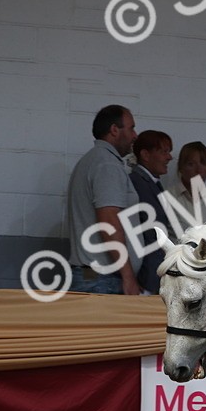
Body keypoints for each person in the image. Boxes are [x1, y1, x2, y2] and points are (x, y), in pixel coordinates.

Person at [66, 104, 141, 295]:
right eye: (131, 128)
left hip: (94, 277)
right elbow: (108, 221)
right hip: (102, 280)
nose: (135, 135)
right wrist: (128, 276)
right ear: (114, 130)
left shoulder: (90, 160)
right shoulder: (107, 165)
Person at [129, 130, 174, 293]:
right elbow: (135, 233)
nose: (169, 157)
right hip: (144, 276)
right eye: (164, 152)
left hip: (152, 273)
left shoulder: (152, 184)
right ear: (145, 155)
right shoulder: (136, 183)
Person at [165, 141, 206, 223]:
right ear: (181, 167)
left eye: (203, 163)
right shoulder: (167, 196)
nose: (198, 170)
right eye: (191, 164)